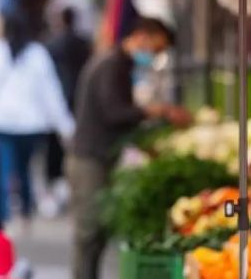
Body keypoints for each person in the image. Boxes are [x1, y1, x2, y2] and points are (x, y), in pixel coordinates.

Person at [69, 17, 191, 279]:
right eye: (156, 49)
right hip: (90, 158)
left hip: (99, 156)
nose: (155, 55)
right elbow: (115, 113)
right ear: (142, 36)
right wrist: (156, 111)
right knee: (89, 233)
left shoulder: (119, 65)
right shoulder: (111, 65)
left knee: (96, 234)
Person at [0, 9, 73, 222]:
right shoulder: (37, 53)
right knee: (24, 170)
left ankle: (4, 216)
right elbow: (51, 93)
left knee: (3, 171)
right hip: (31, 126)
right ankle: (25, 212)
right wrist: (66, 126)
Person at [42, 7, 91, 215]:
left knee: (55, 147)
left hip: (60, 97)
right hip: (77, 97)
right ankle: (64, 186)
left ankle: (59, 185)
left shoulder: (51, 44)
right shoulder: (83, 43)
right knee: (74, 143)